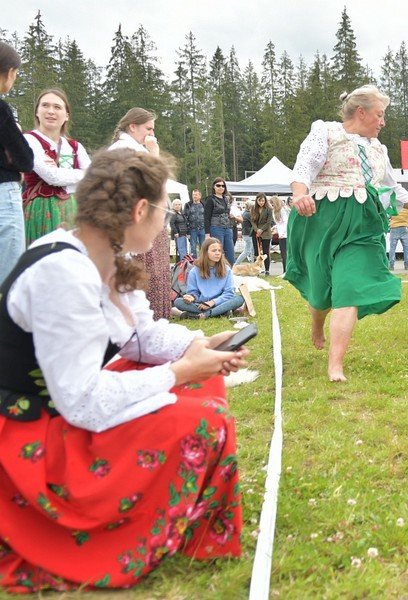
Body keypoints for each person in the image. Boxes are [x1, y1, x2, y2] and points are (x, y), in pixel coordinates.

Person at [0, 149, 247, 593]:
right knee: (204, 418)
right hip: (32, 432)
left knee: (204, 378)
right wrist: (179, 373)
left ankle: (165, 510)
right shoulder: (63, 272)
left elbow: (141, 337)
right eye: (164, 214)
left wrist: (198, 346)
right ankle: (117, 525)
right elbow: (81, 401)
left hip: (62, 409)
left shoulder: (105, 254)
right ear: (139, 211)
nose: (165, 224)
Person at [286, 84, 408, 381]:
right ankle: (317, 322)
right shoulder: (326, 131)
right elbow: (304, 167)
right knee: (320, 294)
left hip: (362, 225)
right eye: (380, 114)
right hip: (322, 220)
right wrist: (299, 195)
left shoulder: (379, 149)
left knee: (349, 289)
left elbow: (393, 189)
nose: (383, 122)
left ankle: (335, 365)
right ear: (361, 112)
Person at [108, 107, 171, 320]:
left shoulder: (135, 148)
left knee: (155, 273)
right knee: (144, 273)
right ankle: (145, 320)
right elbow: (153, 183)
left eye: (153, 129)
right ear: (132, 126)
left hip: (147, 218)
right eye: (148, 129)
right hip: (136, 221)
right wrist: (154, 153)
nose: (152, 134)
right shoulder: (123, 149)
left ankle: (155, 320)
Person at [22, 88, 91, 244]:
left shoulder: (75, 146)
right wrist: (82, 173)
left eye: (57, 107)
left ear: (66, 115)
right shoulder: (29, 140)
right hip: (41, 210)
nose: (51, 111)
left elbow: (94, 176)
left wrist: (61, 173)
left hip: (72, 209)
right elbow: (52, 177)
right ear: (37, 112)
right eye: (45, 105)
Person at [0, 42, 33, 285]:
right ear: (9, 72)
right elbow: (25, 159)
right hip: (3, 193)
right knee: (8, 277)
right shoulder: (1, 110)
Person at [173, 237, 245, 319]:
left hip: (220, 302)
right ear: (205, 252)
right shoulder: (194, 271)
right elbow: (193, 292)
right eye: (214, 250)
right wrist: (191, 297)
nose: (218, 253)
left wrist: (213, 302)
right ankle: (220, 312)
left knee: (240, 298)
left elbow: (229, 293)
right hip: (201, 304)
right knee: (178, 302)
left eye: (219, 251)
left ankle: (205, 314)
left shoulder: (226, 269)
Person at [203, 178, 235, 265]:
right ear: (214, 187)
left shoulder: (226, 199)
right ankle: (216, 271)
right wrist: (207, 234)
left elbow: (227, 212)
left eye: (223, 186)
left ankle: (229, 271)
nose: (221, 187)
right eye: (218, 185)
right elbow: (206, 217)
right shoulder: (210, 199)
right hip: (216, 228)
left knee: (231, 255)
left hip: (228, 228)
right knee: (217, 253)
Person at [250, 192, 273, 275]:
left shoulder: (269, 209)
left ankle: (267, 270)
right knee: (256, 251)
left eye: (263, 201)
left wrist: (261, 230)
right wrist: (257, 230)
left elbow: (269, 222)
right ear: (256, 200)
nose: (261, 202)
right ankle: (256, 270)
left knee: (266, 251)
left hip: (266, 233)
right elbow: (252, 220)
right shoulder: (253, 208)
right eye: (259, 201)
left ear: (265, 200)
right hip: (255, 232)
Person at [388, 201, 408, 269]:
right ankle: (406, 265)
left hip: (394, 228)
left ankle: (391, 265)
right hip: (404, 227)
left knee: (392, 248)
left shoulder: (394, 208)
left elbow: (389, 216)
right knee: (406, 248)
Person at [270, 195, 290, 272]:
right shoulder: (274, 211)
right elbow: (279, 224)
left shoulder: (283, 210)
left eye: (273, 204)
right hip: (281, 234)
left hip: (285, 235)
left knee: (285, 254)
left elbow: (286, 223)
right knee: (283, 254)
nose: (272, 206)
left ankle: (286, 271)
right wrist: (274, 228)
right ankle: (285, 270)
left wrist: (283, 233)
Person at [184, 188, 206, 257]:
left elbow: (208, 217)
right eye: (193, 195)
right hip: (192, 229)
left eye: (196, 195)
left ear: (200, 196)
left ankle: (202, 260)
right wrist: (187, 231)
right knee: (193, 247)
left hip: (203, 229)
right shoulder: (188, 205)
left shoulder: (204, 204)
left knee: (203, 246)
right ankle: (194, 261)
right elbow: (185, 218)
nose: (194, 196)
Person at [236, 199, 256, 264]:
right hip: (248, 234)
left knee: (251, 250)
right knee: (247, 251)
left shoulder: (245, 213)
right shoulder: (249, 214)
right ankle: (236, 263)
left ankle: (252, 264)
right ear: (251, 206)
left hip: (246, 234)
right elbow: (254, 223)